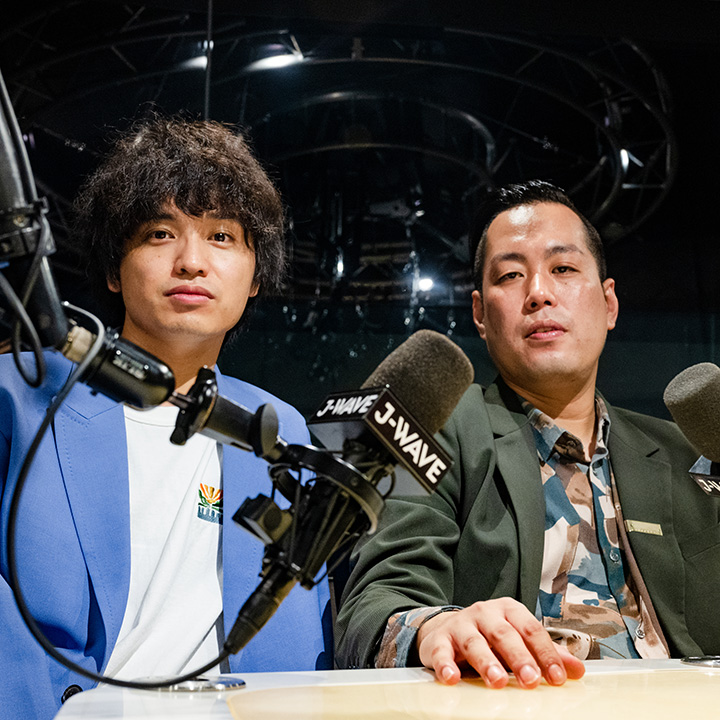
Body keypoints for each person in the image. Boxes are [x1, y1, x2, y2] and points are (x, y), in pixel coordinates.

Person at [0, 117, 331, 720]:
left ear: (255, 277)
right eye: (159, 234)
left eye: (222, 236)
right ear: (113, 268)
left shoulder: (278, 426)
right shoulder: (19, 393)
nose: (191, 262)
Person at [335, 180, 720, 689]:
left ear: (609, 304)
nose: (539, 292)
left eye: (563, 269)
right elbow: (374, 604)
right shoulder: (430, 429)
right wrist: (436, 627)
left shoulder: (689, 449)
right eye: (511, 275)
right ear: (480, 313)